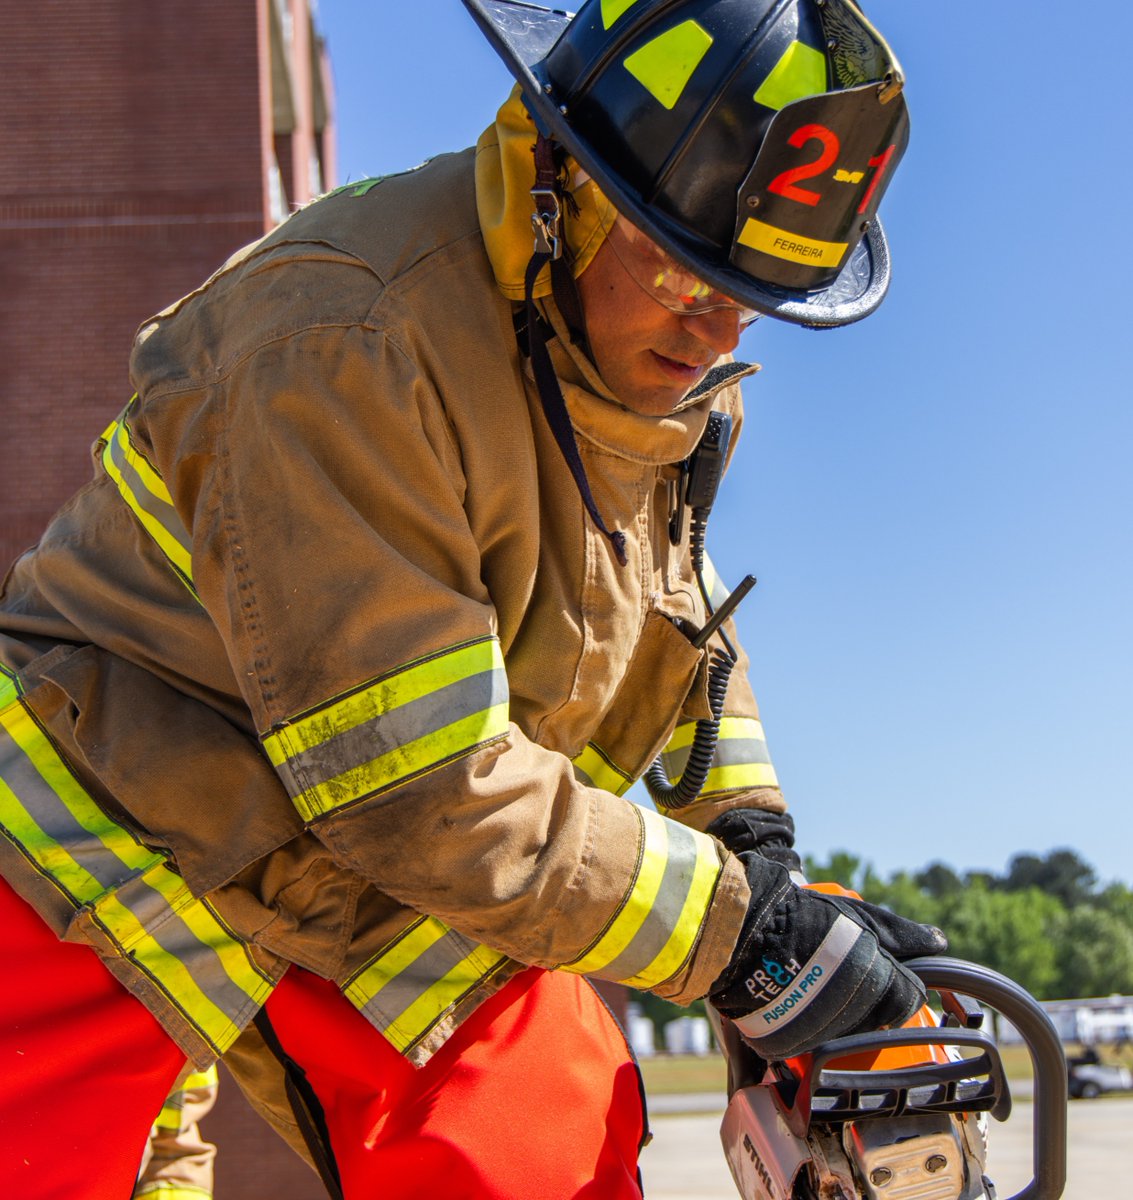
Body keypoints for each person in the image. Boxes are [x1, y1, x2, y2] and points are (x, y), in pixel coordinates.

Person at [0, 1, 946, 1196]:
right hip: (96, 842)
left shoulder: (653, 363)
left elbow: (672, 594)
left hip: (381, 871)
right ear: (559, 179)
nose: (713, 332)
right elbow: (416, 787)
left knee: (550, 1148)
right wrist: (737, 939)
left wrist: (751, 844)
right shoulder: (343, 336)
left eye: (744, 294)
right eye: (683, 270)